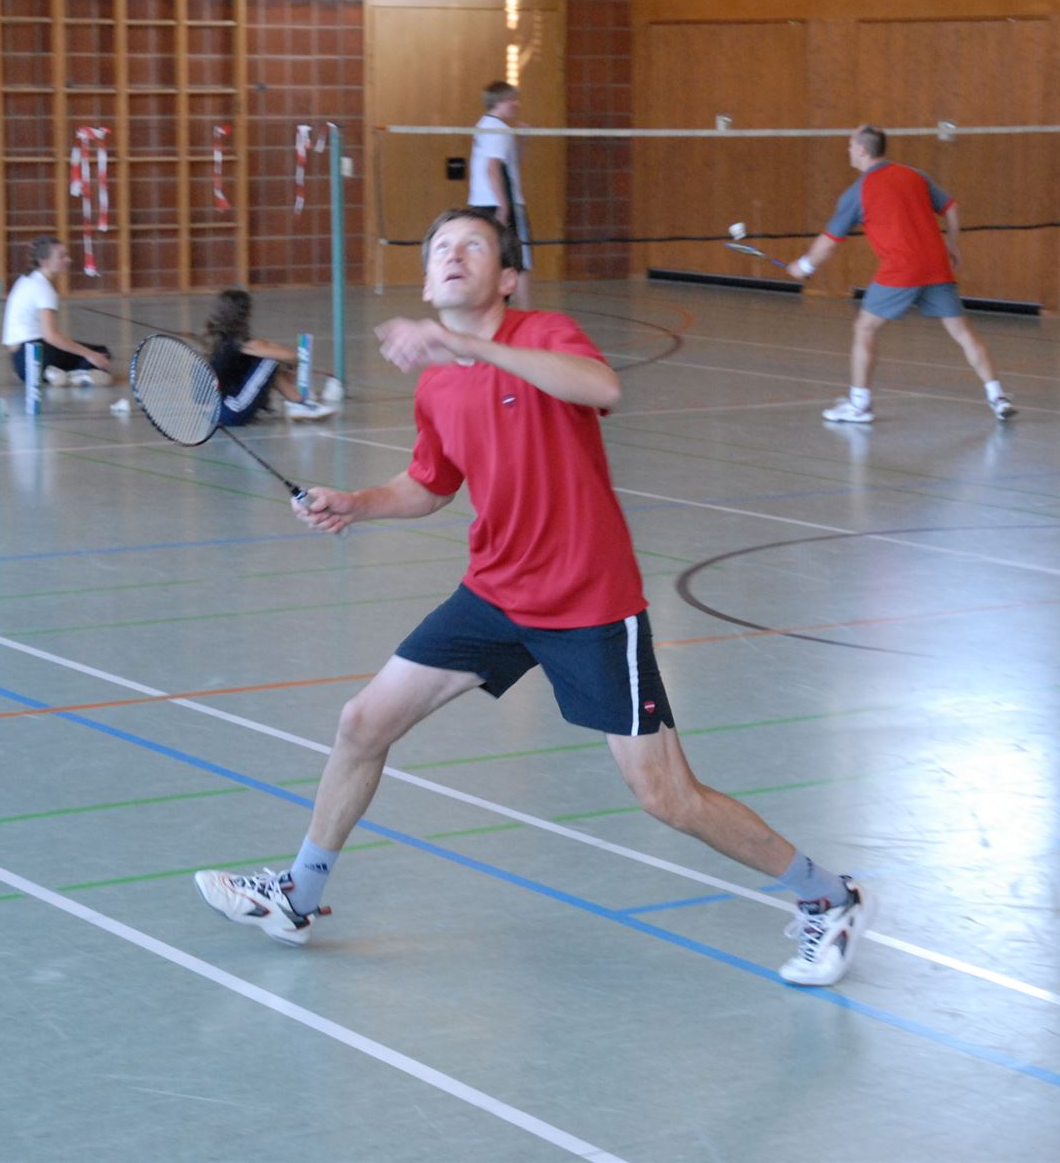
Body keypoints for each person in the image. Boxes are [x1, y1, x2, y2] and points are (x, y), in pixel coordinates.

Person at [194, 208, 872, 987]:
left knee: (665, 795)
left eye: (473, 245)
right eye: (439, 247)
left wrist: (470, 346)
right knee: (362, 723)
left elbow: (603, 386)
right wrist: (356, 502)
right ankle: (297, 896)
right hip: (495, 593)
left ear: (508, 278)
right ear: (427, 282)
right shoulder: (437, 384)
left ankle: (831, 896)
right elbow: (429, 485)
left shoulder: (545, 334)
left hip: (588, 600)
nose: (453, 254)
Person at [789, 125, 1016, 424]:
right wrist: (952, 245)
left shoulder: (857, 192)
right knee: (963, 333)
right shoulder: (915, 175)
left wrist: (804, 265)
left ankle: (859, 406)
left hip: (902, 268)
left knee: (865, 328)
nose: (848, 149)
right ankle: (997, 397)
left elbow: (829, 243)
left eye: (850, 145)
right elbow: (951, 207)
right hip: (936, 265)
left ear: (863, 150)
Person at [203, 287, 332, 424]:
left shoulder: (222, 341)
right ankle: (299, 404)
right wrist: (291, 367)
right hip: (232, 411)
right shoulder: (243, 344)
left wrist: (285, 368)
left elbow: (267, 348)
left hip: (219, 410)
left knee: (263, 364)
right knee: (268, 361)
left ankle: (298, 402)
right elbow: (293, 356)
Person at [2, 235, 112, 386]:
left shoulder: (25, 280)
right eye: (62, 256)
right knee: (100, 352)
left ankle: (52, 374)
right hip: (39, 356)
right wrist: (90, 354)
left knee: (83, 352)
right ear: (45, 262)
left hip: (21, 364)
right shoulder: (43, 289)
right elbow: (51, 336)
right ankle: (75, 375)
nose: (68, 260)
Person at [467, 80, 533, 309]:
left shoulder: (485, 124)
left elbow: (511, 165)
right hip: (500, 202)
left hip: (480, 203)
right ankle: (527, 315)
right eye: (512, 99)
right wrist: (503, 206)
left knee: (492, 259)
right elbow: (492, 168)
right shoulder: (498, 129)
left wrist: (522, 141)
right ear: (499, 102)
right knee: (520, 260)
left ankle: (490, 311)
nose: (517, 104)